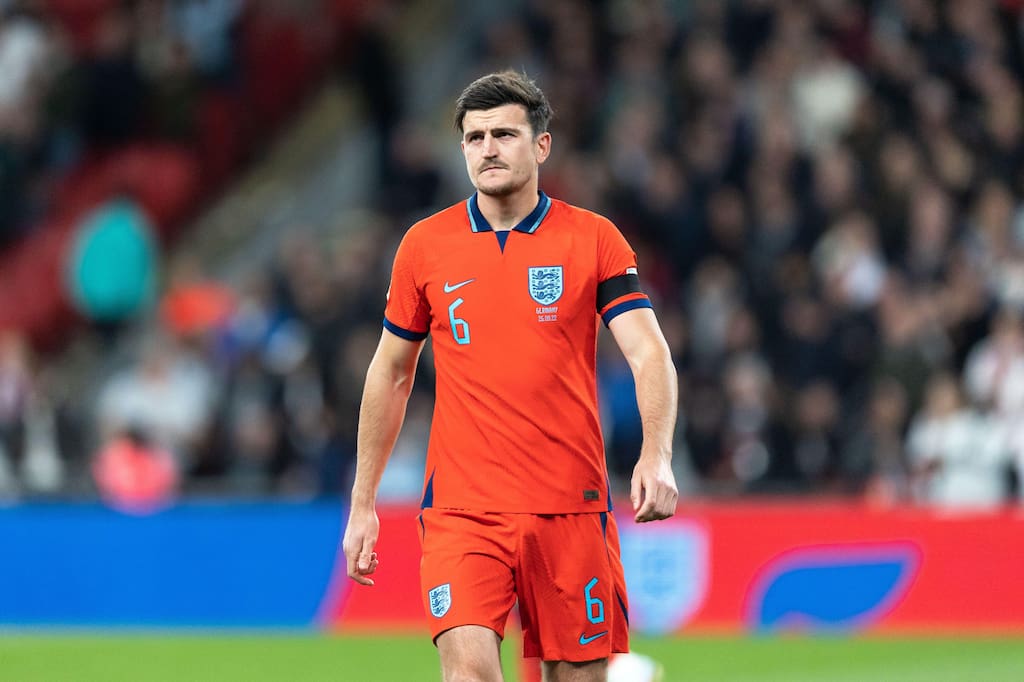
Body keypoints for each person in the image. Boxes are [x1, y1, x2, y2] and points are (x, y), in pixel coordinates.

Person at [342, 70, 678, 682]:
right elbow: (390, 372)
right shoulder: (425, 245)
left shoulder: (593, 239)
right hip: (463, 509)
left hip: (570, 506)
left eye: (504, 134)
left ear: (541, 145)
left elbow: (648, 353)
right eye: (475, 138)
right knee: (467, 673)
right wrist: (363, 503)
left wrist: (656, 455)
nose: (488, 149)